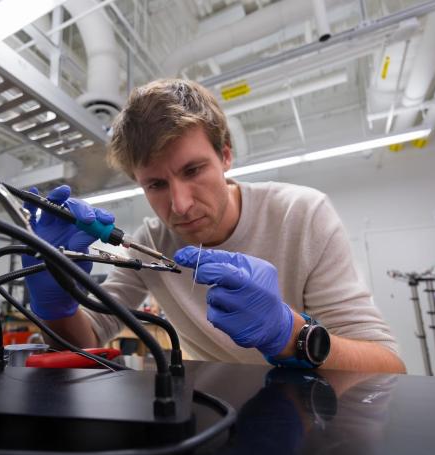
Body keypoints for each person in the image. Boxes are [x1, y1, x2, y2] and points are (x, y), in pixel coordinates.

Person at [22, 78, 405, 373]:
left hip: (312, 416)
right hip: (216, 414)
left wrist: (289, 334)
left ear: (225, 156)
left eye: (193, 170)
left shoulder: (301, 215)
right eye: (156, 185)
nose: (180, 205)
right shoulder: (150, 242)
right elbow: (88, 337)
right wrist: (56, 304)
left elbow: (388, 366)